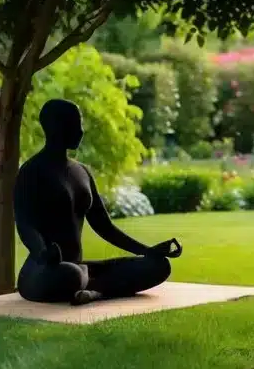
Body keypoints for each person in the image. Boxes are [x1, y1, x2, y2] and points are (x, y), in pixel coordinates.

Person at [14, 99, 182, 305]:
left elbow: (105, 227)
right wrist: (42, 252)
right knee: (71, 275)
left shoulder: (82, 172)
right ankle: (92, 286)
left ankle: (92, 290)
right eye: (75, 124)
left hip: (80, 266)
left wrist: (149, 251)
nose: (81, 131)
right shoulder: (32, 172)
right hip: (44, 271)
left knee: (158, 266)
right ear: (55, 127)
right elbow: (25, 224)